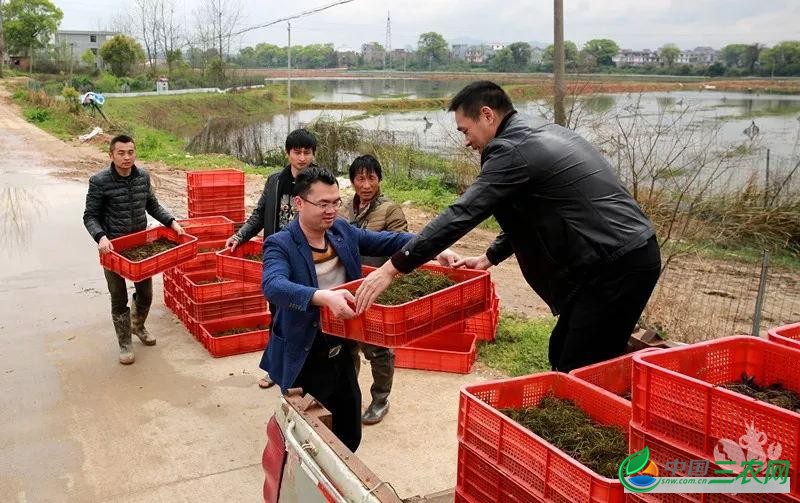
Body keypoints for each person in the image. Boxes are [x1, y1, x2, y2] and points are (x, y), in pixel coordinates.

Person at [354, 81, 661, 373]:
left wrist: (393, 268)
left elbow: (462, 213)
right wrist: (489, 256)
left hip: (615, 265)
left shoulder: (511, 149)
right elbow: (531, 212)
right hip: (618, 258)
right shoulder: (534, 132)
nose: (466, 141)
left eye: (466, 130)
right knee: (563, 352)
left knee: (580, 364)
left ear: (487, 115)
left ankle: (609, 415)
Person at [224, 128, 317, 389]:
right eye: (297, 152)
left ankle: (304, 372)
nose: (302, 158)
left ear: (313, 154)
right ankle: (275, 370)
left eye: (307, 152)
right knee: (277, 315)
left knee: (306, 317)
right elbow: (259, 213)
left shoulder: (320, 182)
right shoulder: (275, 181)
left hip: (309, 260)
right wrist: (240, 236)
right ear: (288, 153)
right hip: (279, 259)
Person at [83, 134, 185, 364]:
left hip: (140, 246)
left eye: (130, 152)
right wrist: (100, 237)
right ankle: (124, 342)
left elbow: (152, 205)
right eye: (121, 153)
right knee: (118, 298)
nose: (126, 157)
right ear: (111, 155)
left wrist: (171, 222)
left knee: (146, 295)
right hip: (113, 249)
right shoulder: (99, 181)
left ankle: (137, 325)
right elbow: (90, 216)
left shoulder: (142, 177)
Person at [344, 155, 408, 425]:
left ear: (379, 179)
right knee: (347, 344)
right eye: (360, 178)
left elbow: (401, 247)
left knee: (377, 347)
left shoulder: (390, 209)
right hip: (348, 285)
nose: (366, 184)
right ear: (352, 181)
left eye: (371, 178)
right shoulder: (344, 209)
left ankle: (381, 398)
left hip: (377, 288)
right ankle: (349, 394)